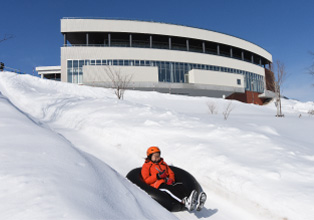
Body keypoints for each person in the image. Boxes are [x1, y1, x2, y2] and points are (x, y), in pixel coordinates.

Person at [141, 146, 206, 211]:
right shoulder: (146, 166)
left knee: (179, 185)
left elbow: (170, 172)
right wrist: (157, 176)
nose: (157, 158)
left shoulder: (163, 163)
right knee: (169, 189)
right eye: (155, 156)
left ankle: (196, 202)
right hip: (158, 184)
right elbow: (146, 180)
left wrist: (171, 179)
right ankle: (185, 202)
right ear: (150, 156)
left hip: (167, 181)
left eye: (158, 156)